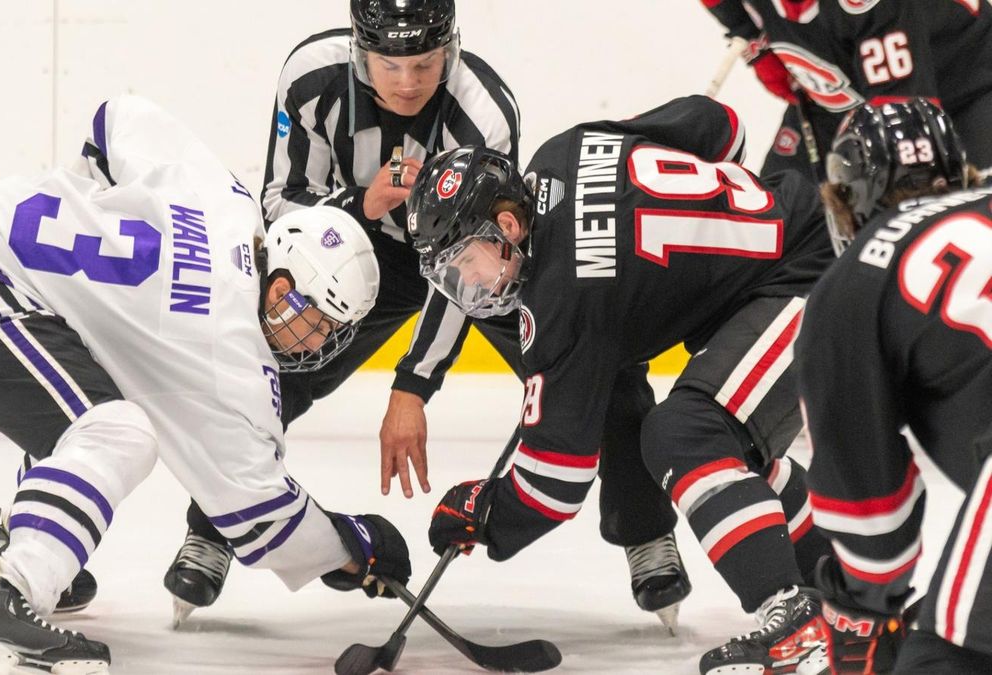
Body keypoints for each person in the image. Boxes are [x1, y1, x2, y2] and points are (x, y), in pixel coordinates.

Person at [162, 0, 689, 631]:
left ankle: (646, 533)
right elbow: (283, 204)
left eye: (426, 62)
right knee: (277, 357)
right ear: (362, 50)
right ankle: (218, 524)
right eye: (391, 64)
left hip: (472, 256)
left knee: (598, 362)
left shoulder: (484, 109)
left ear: (452, 48)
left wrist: (412, 386)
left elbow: (466, 275)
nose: (409, 81)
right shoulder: (311, 77)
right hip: (353, 249)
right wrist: (362, 204)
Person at [0, 94, 410, 673]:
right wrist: (352, 544)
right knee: (116, 432)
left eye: (328, 332)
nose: (312, 343)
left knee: (83, 416)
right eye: (310, 319)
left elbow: (117, 119)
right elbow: (262, 517)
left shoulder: (222, 196)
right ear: (281, 275)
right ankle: (8, 601)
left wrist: (88, 198)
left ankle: (12, 560)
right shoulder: (229, 358)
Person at [409, 95, 839, 674]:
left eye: (466, 262)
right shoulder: (562, 151)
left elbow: (553, 484)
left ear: (507, 225)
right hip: (807, 231)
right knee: (722, 460)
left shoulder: (559, 305)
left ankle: (795, 625)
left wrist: (486, 513)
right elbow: (720, 124)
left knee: (685, 433)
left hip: (814, 277)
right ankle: (849, 590)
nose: (469, 286)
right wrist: (723, 245)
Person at [798, 98, 991, 674]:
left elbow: (875, 531)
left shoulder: (853, 281)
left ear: (849, 196)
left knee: (942, 656)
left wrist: (852, 601)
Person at [701, 0, 992, 180]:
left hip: (965, 88)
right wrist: (752, 37)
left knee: (945, 222)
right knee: (778, 222)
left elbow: (902, 118)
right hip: (841, 96)